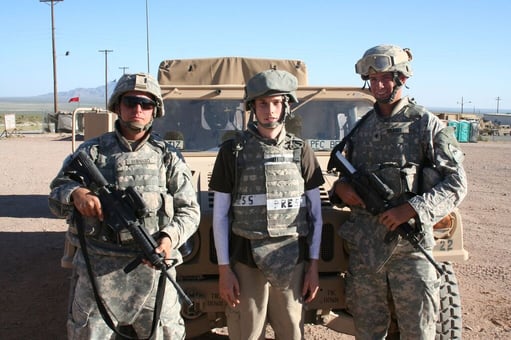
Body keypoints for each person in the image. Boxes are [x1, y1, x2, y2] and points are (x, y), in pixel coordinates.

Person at [327, 44, 468, 339]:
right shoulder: (361, 128)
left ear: (401, 78)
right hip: (366, 255)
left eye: (386, 78)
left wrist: (413, 209)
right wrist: (341, 188)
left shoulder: (425, 124)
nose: (379, 85)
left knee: (418, 332)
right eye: (373, 78)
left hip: (410, 250)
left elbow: (456, 183)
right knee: (368, 332)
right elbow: (342, 178)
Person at [49, 72, 200, 339]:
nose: (138, 110)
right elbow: (56, 195)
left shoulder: (168, 157)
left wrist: (168, 238)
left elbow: (189, 210)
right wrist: (77, 194)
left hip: (154, 271)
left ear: (155, 111)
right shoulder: (91, 152)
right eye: (130, 102)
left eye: (146, 104)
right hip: (99, 270)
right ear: (118, 106)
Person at [209, 69, 325, 340]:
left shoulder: (302, 150)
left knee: (292, 332)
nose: (269, 110)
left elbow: (316, 216)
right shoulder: (232, 152)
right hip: (246, 262)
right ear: (252, 107)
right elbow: (221, 217)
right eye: (262, 103)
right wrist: (224, 270)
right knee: (247, 333)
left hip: (291, 260)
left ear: (286, 106)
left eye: (276, 103)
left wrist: (313, 266)